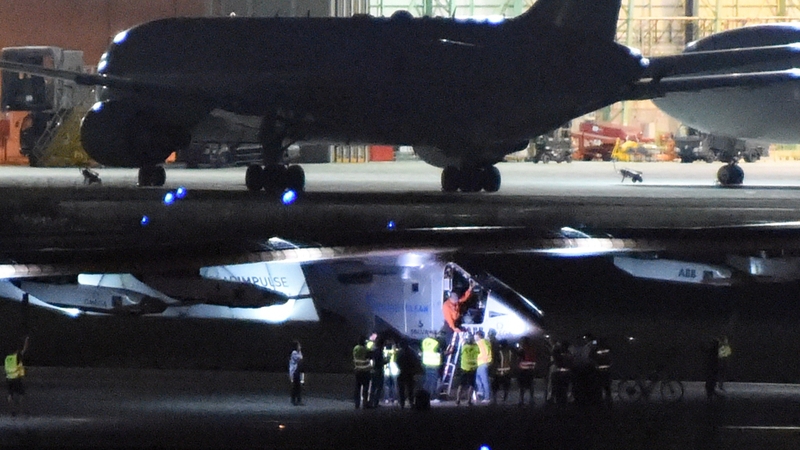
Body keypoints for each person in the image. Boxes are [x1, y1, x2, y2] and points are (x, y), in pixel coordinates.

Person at [441, 279, 475, 349]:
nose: (457, 302)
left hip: (456, 321)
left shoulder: (456, 302)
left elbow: (464, 298)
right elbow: (449, 319)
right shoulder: (446, 306)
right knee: (450, 340)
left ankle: (457, 348)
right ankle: (449, 349)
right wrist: (454, 327)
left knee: (457, 339)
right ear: (451, 299)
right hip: (449, 325)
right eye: (455, 301)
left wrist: (470, 289)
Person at [5, 336, 29, 416]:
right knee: (21, 394)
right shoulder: (17, 357)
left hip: (9, 379)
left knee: (10, 395)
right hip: (16, 379)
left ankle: (12, 411)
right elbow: (24, 350)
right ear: (16, 351)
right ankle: (20, 411)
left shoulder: (7, 358)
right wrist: (26, 340)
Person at [455, 332, 479, 406]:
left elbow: (462, 341)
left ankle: (458, 400)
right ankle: (469, 401)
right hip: (473, 368)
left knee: (461, 385)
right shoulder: (476, 347)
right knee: (471, 385)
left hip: (464, 368)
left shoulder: (464, 346)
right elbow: (478, 353)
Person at [395, 340, 419, 409]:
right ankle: (411, 402)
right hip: (410, 372)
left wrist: (400, 367)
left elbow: (397, 361)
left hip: (402, 371)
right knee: (410, 388)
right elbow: (415, 361)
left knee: (401, 389)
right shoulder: (412, 352)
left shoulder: (400, 352)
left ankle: (402, 403)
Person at [420, 331, 442, 400]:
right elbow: (439, 352)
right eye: (435, 334)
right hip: (434, 364)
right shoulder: (435, 343)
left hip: (426, 363)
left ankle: (424, 396)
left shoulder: (425, 341)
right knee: (433, 382)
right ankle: (432, 397)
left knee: (427, 381)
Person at [592, 337, 613, 407]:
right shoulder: (608, 348)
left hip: (599, 370)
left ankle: (600, 401)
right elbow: (611, 358)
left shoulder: (596, 349)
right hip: (607, 369)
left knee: (600, 386)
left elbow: (592, 357)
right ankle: (608, 401)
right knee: (607, 387)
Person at [516, 336, 537, 406]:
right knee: (530, 385)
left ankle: (521, 400)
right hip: (531, 369)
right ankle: (531, 400)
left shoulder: (522, 349)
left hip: (523, 370)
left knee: (522, 386)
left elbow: (519, 359)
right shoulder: (532, 349)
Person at [492, 339, 513, 404]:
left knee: (495, 387)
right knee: (506, 387)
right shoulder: (510, 351)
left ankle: (495, 400)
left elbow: (496, 362)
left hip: (499, 372)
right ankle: (505, 399)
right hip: (507, 372)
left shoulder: (499, 352)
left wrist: (493, 370)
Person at [353, 336, 372, 409]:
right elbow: (369, 355)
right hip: (365, 371)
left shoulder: (355, 348)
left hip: (357, 371)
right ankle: (365, 403)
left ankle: (357, 404)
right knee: (365, 388)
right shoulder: (364, 349)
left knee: (357, 388)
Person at [368, 334, 385, 408]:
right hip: (379, 370)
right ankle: (375, 403)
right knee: (378, 387)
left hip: (374, 370)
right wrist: (386, 361)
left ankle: (371, 402)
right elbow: (379, 362)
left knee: (373, 387)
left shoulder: (374, 351)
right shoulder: (379, 352)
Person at [475, 330, 492, 402]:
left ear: (478, 336)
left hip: (482, 362)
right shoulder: (486, 342)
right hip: (484, 362)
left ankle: (487, 397)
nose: (475, 337)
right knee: (478, 379)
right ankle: (481, 392)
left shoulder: (479, 343)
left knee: (484, 381)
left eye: (476, 335)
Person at [382, 339, 399, 404]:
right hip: (393, 366)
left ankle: (387, 398)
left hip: (386, 367)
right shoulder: (395, 350)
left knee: (387, 384)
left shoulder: (384, 350)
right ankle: (394, 399)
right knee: (394, 384)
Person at [288, 340, 304, 406]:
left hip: (297, 371)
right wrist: (299, 352)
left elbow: (301, 358)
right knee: (295, 386)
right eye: (299, 346)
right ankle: (294, 399)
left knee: (298, 386)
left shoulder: (298, 352)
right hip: (294, 371)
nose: (300, 347)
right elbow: (300, 358)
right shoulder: (294, 352)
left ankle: (298, 400)